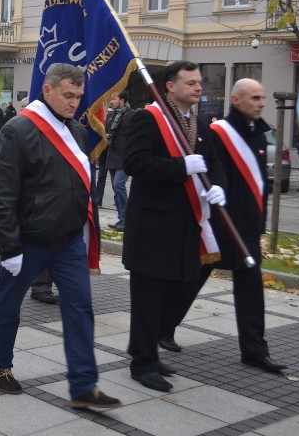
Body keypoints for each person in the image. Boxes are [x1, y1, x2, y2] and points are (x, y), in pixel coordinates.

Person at [0, 63, 121, 410]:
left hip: (68, 240)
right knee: (7, 305)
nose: (74, 102)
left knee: (79, 309)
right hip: (28, 240)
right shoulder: (17, 131)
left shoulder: (75, 130)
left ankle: (83, 386)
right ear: (48, 91)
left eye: (78, 96)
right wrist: (9, 247)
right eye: (67, 95)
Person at [161, 79, 286, 373]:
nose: (261, 103)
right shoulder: (219, 132)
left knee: (251, 289)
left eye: (263, 97)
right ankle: (162, 328)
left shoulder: (258, 132)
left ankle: (254, 350)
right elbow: (212, 171)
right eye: (255, 98)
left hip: (247, 227)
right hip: (219, 225)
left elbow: (257, 183)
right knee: (191, 279)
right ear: (236, 99)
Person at [122, 60, 226, 392]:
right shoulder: (147, 118)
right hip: (153, 225)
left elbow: (214, 163)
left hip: (187, 224)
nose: (199, 87)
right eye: (191, 82)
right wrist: (180, 166)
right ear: (170, 85)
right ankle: (142, 362)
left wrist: (218, 185)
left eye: (200, 82)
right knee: (149, 297)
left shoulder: (200, 123)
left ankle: (150, 348)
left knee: (178, 289)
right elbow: (135, 162)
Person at [105, 91, 135, 231]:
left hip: (125, 158)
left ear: (122, 101)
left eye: (114, 98)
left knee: (119, 184)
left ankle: (128, 217)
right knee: (116, 189)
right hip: (112, 157)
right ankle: (122, 219)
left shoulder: (131, 116)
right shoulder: (111, 116)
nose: (111, 101)